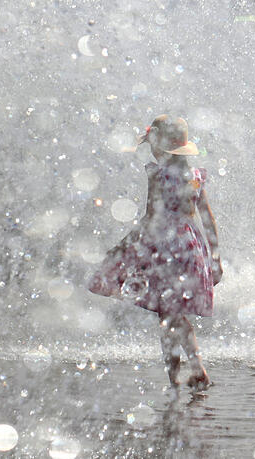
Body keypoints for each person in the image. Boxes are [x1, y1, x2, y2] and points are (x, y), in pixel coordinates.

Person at [87, 114, 222, 390]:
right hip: (190, 248)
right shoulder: (195, 176)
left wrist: (125, 245)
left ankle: (183, 377)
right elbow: (207, 218)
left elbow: (151, 217)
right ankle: (192, 373)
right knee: (172, 314)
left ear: (161, 147)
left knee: (167, 316)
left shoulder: (158, 175)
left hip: (166, 249)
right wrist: (215, 258)